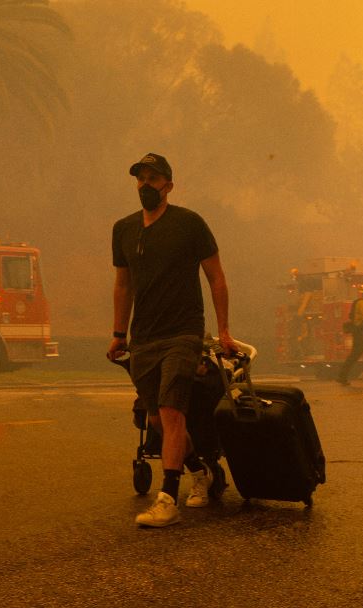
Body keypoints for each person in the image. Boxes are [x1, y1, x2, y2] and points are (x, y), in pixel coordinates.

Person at [108, 152, 237, 528]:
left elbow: (216, 278)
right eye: (140, 178)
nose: (145, 185)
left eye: (153, 178)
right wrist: (119, 333)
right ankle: (199, 469)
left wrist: (223, 331)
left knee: (171, 411)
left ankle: (167, 499)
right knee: (158, 422)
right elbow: (122, 284)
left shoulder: (190, 224)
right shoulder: (124, 229)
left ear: (169, 185)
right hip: (144, 337)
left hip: (183, 332)